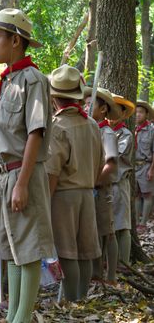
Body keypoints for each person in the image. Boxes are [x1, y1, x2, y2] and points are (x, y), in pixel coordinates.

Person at [0, 8, 55, 322]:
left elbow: (36, 133)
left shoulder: (33, 80)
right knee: (10, 247)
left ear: (15, 40)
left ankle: (23, 317)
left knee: (27, 248)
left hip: (20, 174)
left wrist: (22, 182)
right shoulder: (3, 84)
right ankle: (12, 315)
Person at [45, 65, 103, 301]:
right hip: (88, 193)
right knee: (85, 250)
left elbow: (52, 171)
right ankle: (81, 298)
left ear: (55, 98)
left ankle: (71, 301)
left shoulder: (58, 127)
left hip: (64, 196)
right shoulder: (92, 125)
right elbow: (100, 162)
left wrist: (45, 203)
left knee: (68, 251)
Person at [84, 87, 119, 285]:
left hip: (100, 190)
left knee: (107, 231)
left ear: (103, 109)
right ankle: (96, 274)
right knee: (94, 231)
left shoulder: (106, 133)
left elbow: (111, 163)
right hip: (89, 189)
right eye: (85, 103)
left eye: (91, 104)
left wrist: (95, 181)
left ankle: (111, 276)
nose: (86, 107)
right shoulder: (90, 130)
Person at [109, 94, 135, 265]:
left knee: (122, 225)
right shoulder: (102, 130)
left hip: (119, 183)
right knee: (108, 226)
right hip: (104, 185)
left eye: (116, 109)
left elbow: (114, 156)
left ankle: (124, 264)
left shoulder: (125, 135)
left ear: (123, 113)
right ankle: (110, 263)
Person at [134, 100, 154, 232]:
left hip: (146, 165)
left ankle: (143, 223)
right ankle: (136, 221)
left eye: (141, 112)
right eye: (136, 112)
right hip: (133, 166)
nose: (137, 115)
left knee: (147, 194)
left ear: (147, 114)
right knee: (135, 194)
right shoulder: (132, 128)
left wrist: (152, 170)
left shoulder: (151, 130)